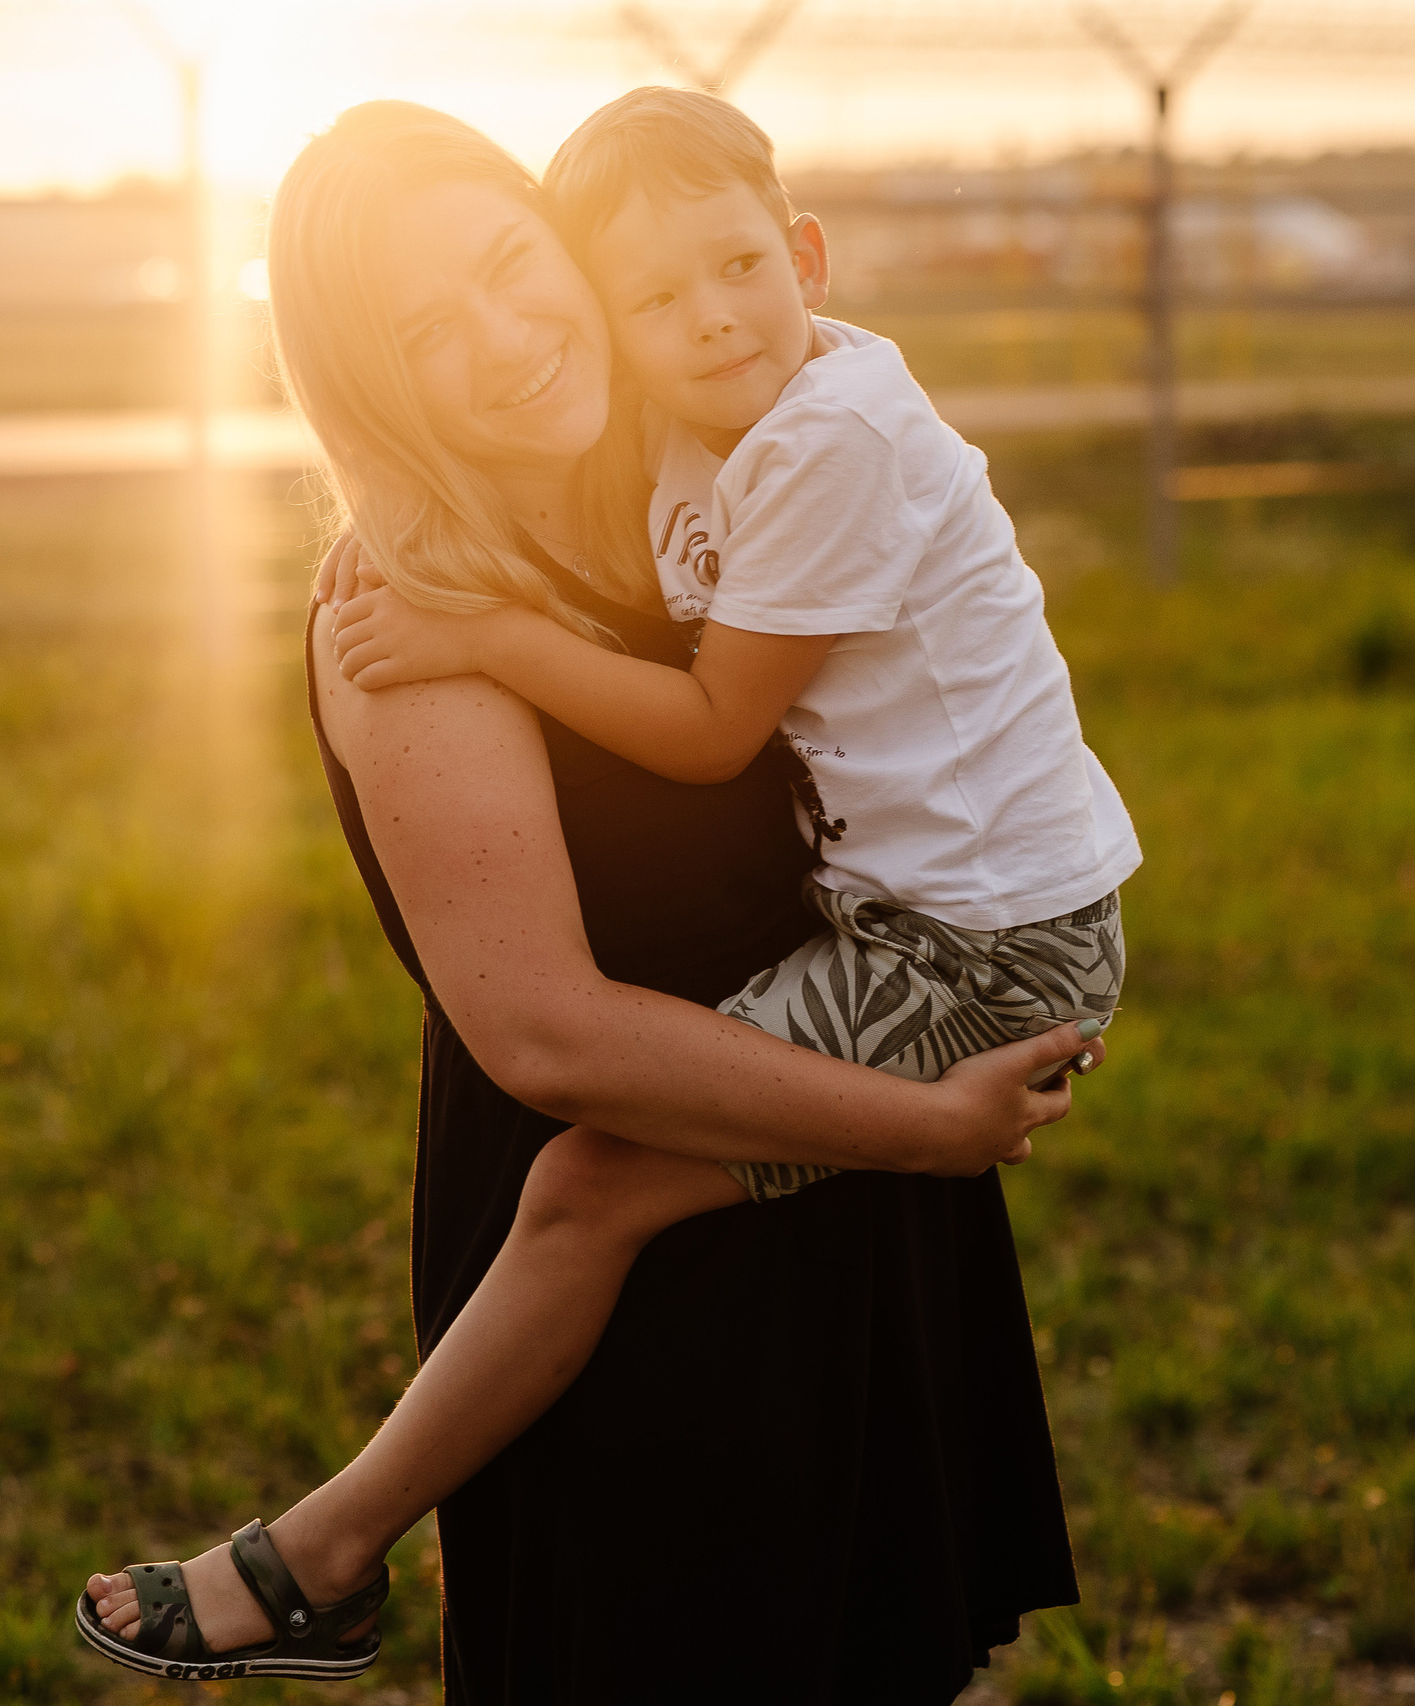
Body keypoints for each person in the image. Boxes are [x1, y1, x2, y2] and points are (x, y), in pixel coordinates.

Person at [78, 100, 1098, 1703]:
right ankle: (329, 1553)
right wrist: (926, 1127)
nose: (506, 337)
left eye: (510, 264)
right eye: (428, 330)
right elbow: (548, 1035)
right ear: (369, 383)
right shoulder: (414, 614)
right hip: (657, 1298)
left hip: (843, 1191)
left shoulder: (713, 478)